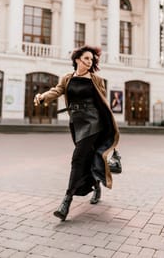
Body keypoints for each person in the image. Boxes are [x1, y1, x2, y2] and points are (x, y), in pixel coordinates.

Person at [34, 45, 119, 221]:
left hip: (93, 123)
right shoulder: (67, 78)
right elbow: (56, 91)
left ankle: (66, 200)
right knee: (85, 158)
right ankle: (96, 185)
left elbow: (103, 104)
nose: (90, 62)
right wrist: (42, 97)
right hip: (77, 123)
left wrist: (109, 128)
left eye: (92, 60)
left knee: (78, 158)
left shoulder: (96, 80)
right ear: (77, 59)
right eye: (87, 58)